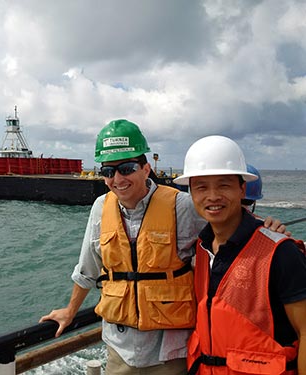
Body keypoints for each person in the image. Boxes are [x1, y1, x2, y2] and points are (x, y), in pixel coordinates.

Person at [39, 120, 285, 374]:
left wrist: (267, 227)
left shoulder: (182, 205)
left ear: (146, 169)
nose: (118, 179)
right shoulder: (101, 208)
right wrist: (70, 311)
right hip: (119, 349)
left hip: (170, 353)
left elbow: (230, 221)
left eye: (126, 168)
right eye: (108, 171)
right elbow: (87, 268)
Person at [173, 135, 306, 375]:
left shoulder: (280, 252)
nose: (212, 196)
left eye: (224, 185)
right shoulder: (200, 250)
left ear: (242, 188)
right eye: (201, 187)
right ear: (190, 193)